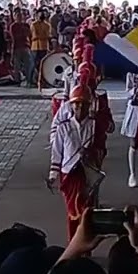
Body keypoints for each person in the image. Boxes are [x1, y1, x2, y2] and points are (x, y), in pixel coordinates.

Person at [48, 83, 106, 238]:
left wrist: (92, 153)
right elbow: (57, 153)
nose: (79, 107)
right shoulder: (63, 128)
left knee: (87, 211)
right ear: (71, 106)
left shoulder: (94, 126)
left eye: (83, 104)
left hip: (87, 175)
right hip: (69, 176)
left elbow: (102, 148)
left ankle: (85, 245)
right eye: (76, 104)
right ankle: (74, 244)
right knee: (72, 212)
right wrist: (53, 175)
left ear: (89, 105)